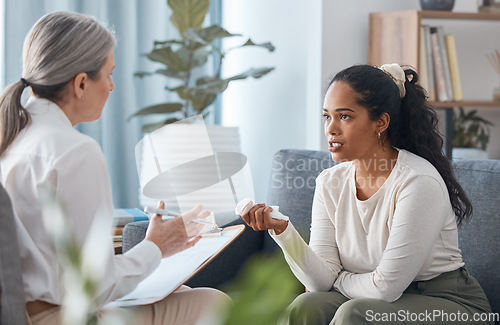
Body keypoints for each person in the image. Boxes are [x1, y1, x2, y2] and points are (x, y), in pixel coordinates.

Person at [0, 11, 230, 325]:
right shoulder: (75, 151)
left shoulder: (13, 137)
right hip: (62, 317)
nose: (111, 86)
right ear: (81, 83)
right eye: (108, 74)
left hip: (31, 312)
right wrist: (157, 246)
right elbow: (94, 286)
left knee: (182, 292)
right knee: (215, 303)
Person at [241, 63, 493, 324]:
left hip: (448, 304)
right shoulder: (330, 182)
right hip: (373, 296)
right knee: (307, 304)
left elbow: (385, 288)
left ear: (381, 122)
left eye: (345, 116)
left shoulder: (418, 181)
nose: (331, 128)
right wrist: (283, 232)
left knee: (356, 313)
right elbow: (319, 283)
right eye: (327, 116)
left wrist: (339, 280)